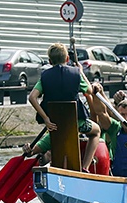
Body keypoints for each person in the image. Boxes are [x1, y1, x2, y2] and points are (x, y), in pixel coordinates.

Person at [29, 42, 101, 172]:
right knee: (96, 132)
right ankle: (85, 167)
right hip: (76, 124)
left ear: (50, 61)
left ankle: (31, 150)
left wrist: (46, 119)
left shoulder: (45, 77)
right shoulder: (76, 74)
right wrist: (80, 71)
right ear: (67, 59)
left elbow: (32, 97)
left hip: (55, 125)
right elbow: (89, 90)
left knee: (46, 142)